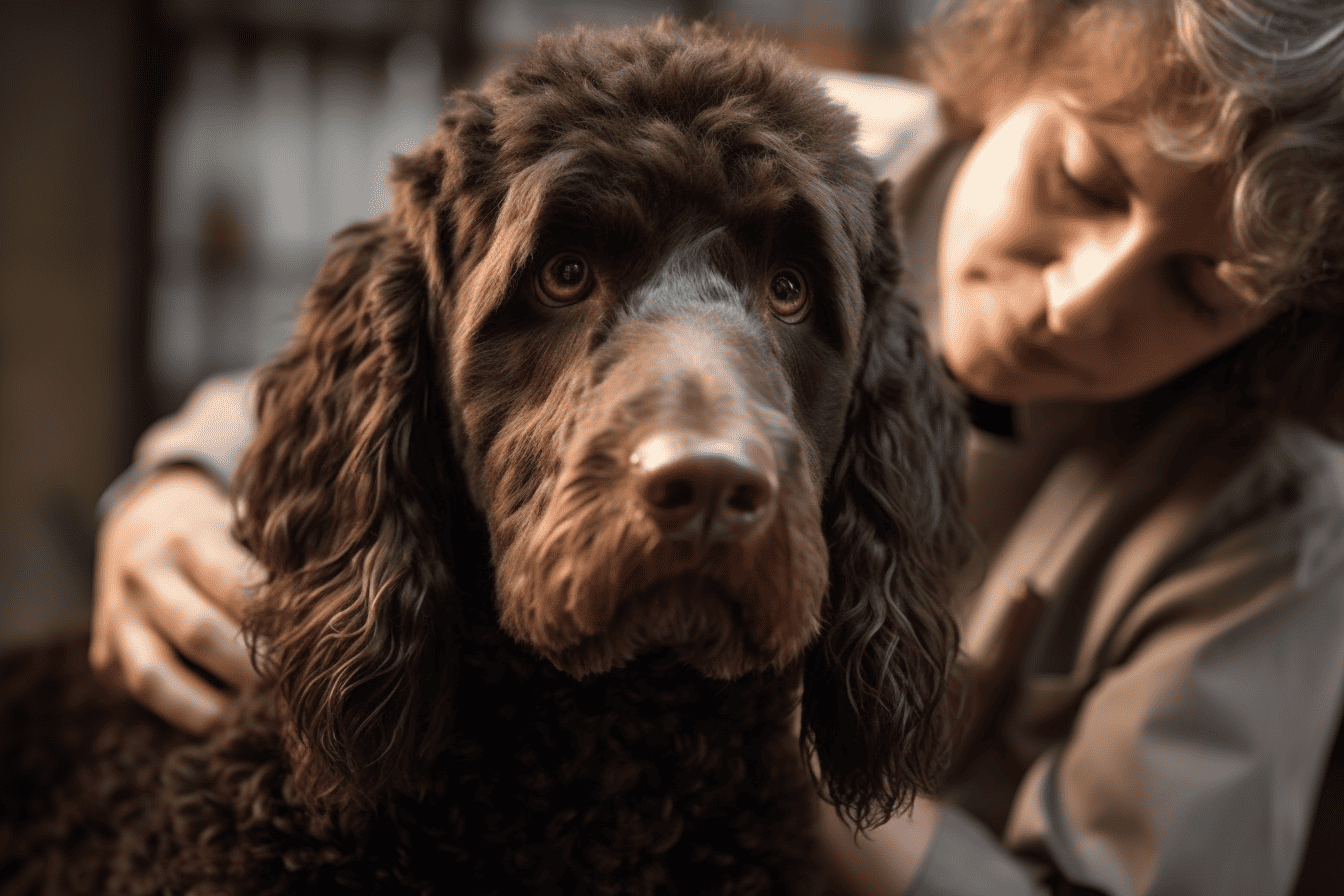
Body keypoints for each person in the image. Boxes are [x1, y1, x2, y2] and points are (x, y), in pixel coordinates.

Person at [90, 1, 1344, 893]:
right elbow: (409, 322)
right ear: (1011, 65)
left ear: (1282, 313)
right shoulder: (783, 142)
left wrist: (763, 720)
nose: (1083, 297)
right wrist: (172, 485)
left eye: (1201, 283)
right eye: (1080, 176)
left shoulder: (1284, 527)